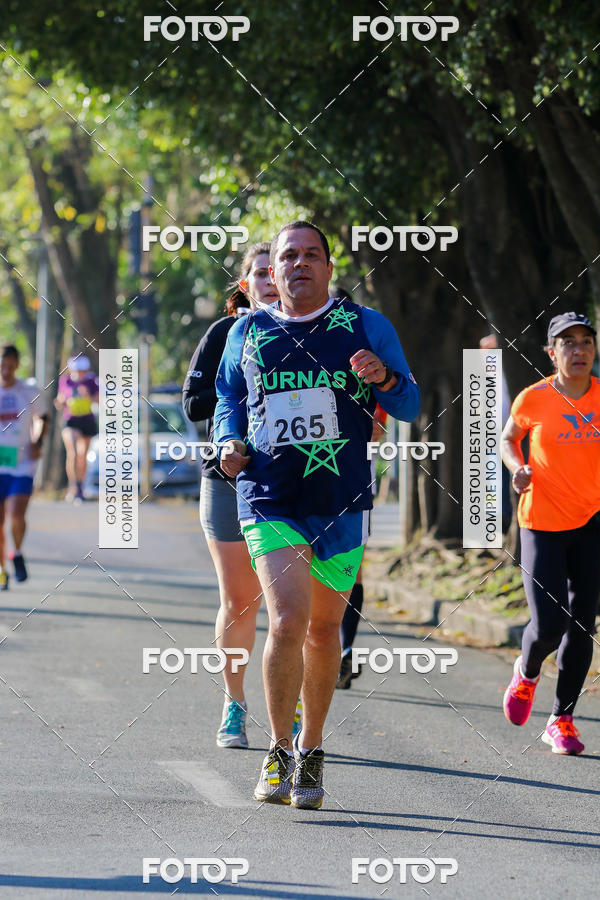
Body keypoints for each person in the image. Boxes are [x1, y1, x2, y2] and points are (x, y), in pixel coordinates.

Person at [215, 221, 419, 808]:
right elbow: (228, 398)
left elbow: (411, 401)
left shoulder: (363, 325)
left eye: (312, 256)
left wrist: (382, 377)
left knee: (326, 630)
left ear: (330, 268)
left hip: (341, 499)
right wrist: (228, 440)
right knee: (286, 621)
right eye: (288, 257)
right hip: (269, 495)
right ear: (271, 272)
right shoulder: (247, 332)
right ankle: (278, 750)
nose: (300, 265)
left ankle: (313, 749)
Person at [183, 242, 302, 749]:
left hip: (291, 484)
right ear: (246, 284)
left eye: (274, 273)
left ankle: (290, 707)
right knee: (239, 600)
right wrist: (241, 395)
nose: (270, 282)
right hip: (227, 482)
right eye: (260, 274)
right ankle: (234, 704)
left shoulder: (309, 333)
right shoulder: (223, 334)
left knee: (290, 610)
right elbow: (193, 405)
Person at [501, 312, 600, 755]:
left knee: (582, 624)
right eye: (568, 343)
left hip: (593, 521)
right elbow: (508, 438)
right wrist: (517, 467)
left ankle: (561, 719)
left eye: (586, 342)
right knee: (548, 624)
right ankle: (526, 670)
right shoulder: (534, 398)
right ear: (551, 352)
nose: (578, 350)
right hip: (541, 520)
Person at [336, 404, 388, 689]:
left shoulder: (367, 362)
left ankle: (344, 650)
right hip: (303, 479)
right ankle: (338, 648)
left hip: (355, 481)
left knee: (351, 568)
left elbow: (377, 427)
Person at [0, 345, 48, 588]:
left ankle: (16, 552)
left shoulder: (28, 391)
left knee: (17, 515)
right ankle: (1, 571)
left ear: (17, 365)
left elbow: (43, 417)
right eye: (2, 365)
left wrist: (37, 441)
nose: (6, 370)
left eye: (10, 365)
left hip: (21, 464)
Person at [54, 355, 99, 502]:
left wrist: (88, 395)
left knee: (82, 455)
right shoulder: (65, 381)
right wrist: (60, 402)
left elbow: (99, 400)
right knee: (72, 453)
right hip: (71, 420)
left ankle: (80, 485)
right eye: (76, 370)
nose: (79, 373)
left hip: (87, 420)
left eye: (82, 370)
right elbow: (60, 401)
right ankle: (73, 487)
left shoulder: (91, 381)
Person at [480, 334, 512, 533]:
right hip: (493, 430)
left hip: (511, 428)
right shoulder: (488, 368)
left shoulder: (509, 366)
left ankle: (506, 517)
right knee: (495, 476)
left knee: (507, 474)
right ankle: (501, 519)